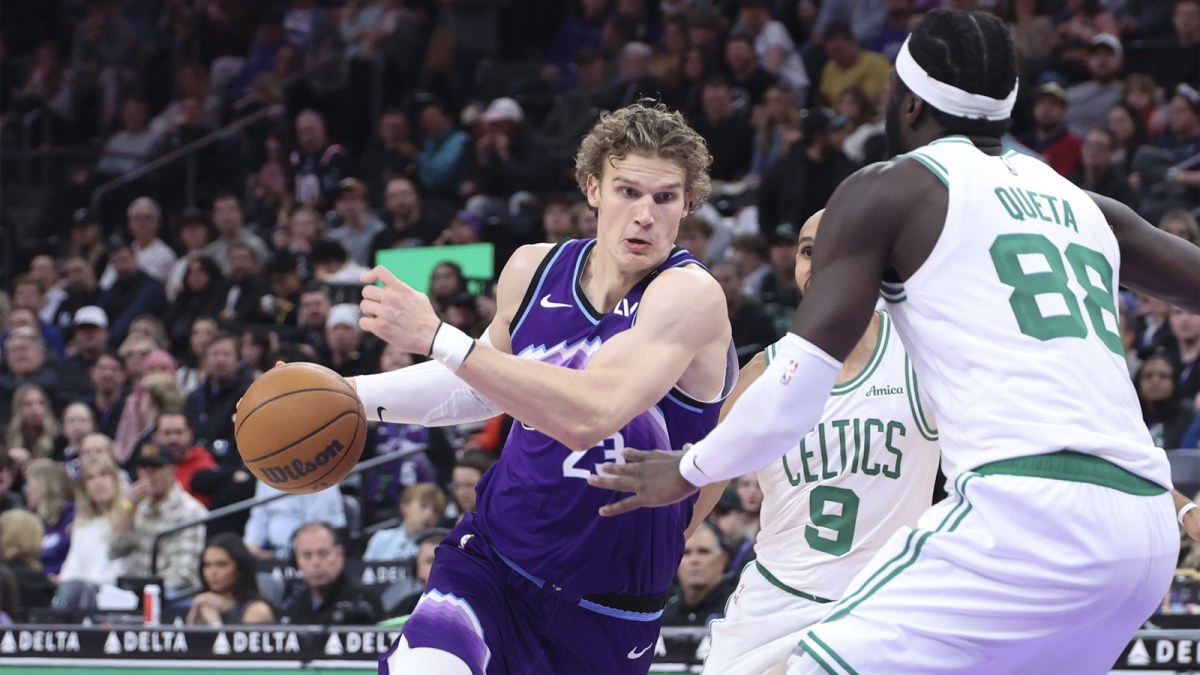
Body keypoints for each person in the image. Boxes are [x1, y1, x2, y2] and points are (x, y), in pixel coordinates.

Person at [588, 11, 1200, 674]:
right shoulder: (1085, 204)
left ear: (907, 102)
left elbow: (795, 390)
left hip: (1027, 514)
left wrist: (686, 469)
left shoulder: (892, 188)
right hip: (1141, 533)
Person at [349, 101, 735, 674]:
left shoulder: (689, 295)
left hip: (606, 603)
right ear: (593, 188)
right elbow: (481, 385)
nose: (645, 215)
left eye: (665, 197)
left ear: (687, 204)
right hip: (493, 560)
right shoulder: (533, 270)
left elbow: (592, 414)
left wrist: (437, 336)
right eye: (628, 191)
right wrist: (349, 395)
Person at [703, 210, 940, 675]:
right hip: (773, 600)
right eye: (808, 251)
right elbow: (696, 485)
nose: (819, 262)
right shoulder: (763, 373)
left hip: (881, 604)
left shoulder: (920, 356)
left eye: (837, 247)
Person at [279, 521, 382, 625]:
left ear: (339, 555)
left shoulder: (364, 604)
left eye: (323, 554)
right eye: (307, 555)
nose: (315, 562)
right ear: (296, 561)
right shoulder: (293, 605)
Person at [186, 534, 275, 626]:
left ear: (240, 568)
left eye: (221, 564)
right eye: (207, 565)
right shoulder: (201, 604)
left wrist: (215, 623)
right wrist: (194, 619)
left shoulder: (257, 610)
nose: (212, 572)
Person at [660, 522, 734, 627]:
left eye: (703, 552)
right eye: (686, 553)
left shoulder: (737, 608)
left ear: (722, 560)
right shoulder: (665, 613)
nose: (694, 560)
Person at [363, 483, 446, 561]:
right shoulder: (381, 539)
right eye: (423, 506)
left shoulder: (439, 547)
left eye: (435, 510)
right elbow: (364, 570)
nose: (429, 514)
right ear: (405, 506)